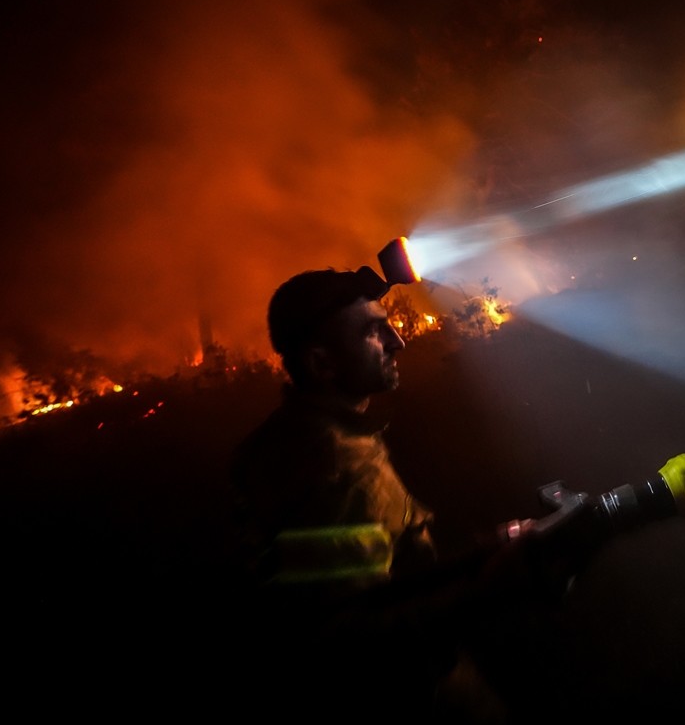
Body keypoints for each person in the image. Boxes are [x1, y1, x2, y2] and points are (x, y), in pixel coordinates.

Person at [229, 265, 535, 717]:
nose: (398, 341)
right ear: (321, 363)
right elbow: (349, 637)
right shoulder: (335, 466)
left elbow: (385, 577)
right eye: (373, 332)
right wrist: (491, 588)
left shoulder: (298, 437)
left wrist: (482, 553)